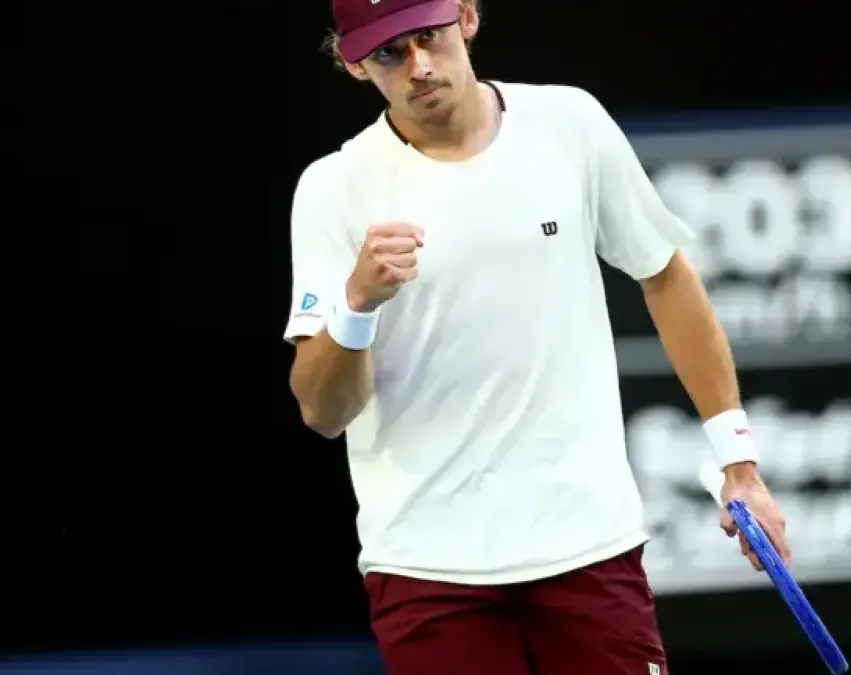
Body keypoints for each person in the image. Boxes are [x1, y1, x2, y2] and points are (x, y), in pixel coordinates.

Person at [283, 0, 791, 673]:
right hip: (427, 568)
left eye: (428, 36)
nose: (419, 66)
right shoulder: (333, 189)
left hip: (588, 550)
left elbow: (665, 275)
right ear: (354, 66)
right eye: (388, 53)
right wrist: (357, 304)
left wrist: (739, 464)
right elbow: (323, 411)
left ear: (467, 16)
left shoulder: (569, 123)